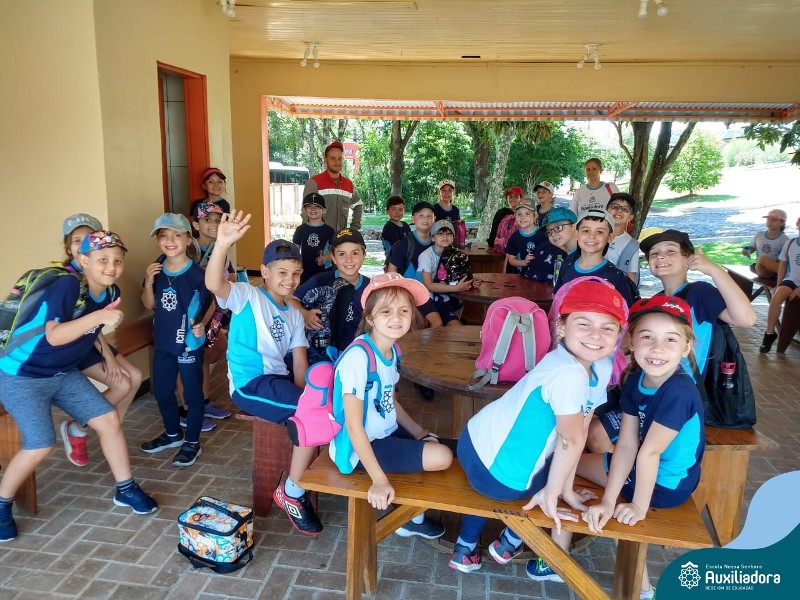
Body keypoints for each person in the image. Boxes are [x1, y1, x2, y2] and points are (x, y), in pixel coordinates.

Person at [447, 279, 626, 574]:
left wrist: (565, 488)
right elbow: (571, 441)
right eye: (584, 324)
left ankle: (466, 546)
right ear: (561, 328)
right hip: (497, 477)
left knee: (555, 464)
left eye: (608, 328)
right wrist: (552, 493)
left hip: (473, 440)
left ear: (618, 335)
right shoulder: (569, 373)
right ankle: (512, 538)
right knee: (547, 475)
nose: (596, 335)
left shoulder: (597, 363)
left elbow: (579, 431)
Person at [540, 296, 703, 600]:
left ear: (686, 347)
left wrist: (637, 506)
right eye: (647, 337)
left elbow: (649, 453)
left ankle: (637, 588)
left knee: (564, 473)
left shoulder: (679, 391)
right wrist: (608, 499)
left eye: (670, 339)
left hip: (666, 484)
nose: (657, 348)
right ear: (630, 342)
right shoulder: (636, 377)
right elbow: (626, 444)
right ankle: (556, 559)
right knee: (565, 468)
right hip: (646, 468)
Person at [0, 230, 157, 541]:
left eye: (117, 261)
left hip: (62, 372)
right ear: (83, 260)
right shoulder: (67, 285)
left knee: (109, 420)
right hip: (22, 375)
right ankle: (2, 503)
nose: (111, 267)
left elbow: (91, 330)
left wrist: (109, 356)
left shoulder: (109, 293)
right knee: (40, 443)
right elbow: (54, 335)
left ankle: (125, 488)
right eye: (102, 260)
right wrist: (98, 318)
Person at [205, 213, 323, 535]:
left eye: (296, 273)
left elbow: (300, 364)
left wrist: (306, 396)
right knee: (311, 413)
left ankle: (310, 466)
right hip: (250, 385)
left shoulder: (294, 315)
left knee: (319, 404)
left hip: (277, 382)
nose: (290, 279)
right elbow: (214, 284)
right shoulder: (248, 295)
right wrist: (222, 243)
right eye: (282, 272)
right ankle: (292, 493)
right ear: (265, 271)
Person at [588, 229, 755, 453]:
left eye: (670, 251)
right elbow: (629, 346)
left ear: (688, 259)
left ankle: (632, 472)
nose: (661, 256)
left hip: (674, 395)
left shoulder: (699, 293)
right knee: (587, 415)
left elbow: (746, 319)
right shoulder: (657, 300)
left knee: (596, 435)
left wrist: (713, 269)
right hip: (646, 387)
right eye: (654, 254)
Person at [330, 273, 452, 539]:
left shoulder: (393, 351)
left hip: (384, 431)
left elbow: (390, 400)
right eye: (386, 311)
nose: (396, 318)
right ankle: (408, 520)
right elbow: (353, 426)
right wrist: (378, 481)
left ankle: (413, 516)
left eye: (403, 310)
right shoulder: (358, 358)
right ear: (370, 318)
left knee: (437, 444)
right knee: (443, 457)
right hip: (359, 448)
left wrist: (419, 432)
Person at [58, 214, 143, 467]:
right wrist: (107, 357)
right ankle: (82, 427)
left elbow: (95, 324)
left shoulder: (105, 281)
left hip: (90, 341)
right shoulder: (66, 280)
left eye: (89, 238)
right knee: (123, 383)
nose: (83, 244)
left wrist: (108, 355)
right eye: (77, 240)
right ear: (69, 248)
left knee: (135, 376)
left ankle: (112, 430)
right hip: (67, 347)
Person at [141, 214, 208, 468]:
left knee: (192, 394)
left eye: (176, 235)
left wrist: (202, 324)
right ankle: (172, 434)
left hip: (189, 343)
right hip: (163, 341)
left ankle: (192, 442)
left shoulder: (197, 275)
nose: (170, 240)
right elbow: (148, 304)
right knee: (161, 390)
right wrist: (149, 281)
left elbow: (211, 301)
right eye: (163, 236)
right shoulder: (156, 269)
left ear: (188, 239)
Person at [290, 228, 371, 364]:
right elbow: (290, 299)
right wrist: (304, 313)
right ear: (333, 257)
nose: (349, 259)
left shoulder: (371, 288)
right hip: (321, 354)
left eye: (355, 253)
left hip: (358, 355)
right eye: (341, 254)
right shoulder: (320, 281)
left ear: (364, 255)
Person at [187, 201, 234, 426]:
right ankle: (188, 409)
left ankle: (203, 402)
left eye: (217, 220)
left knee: (212, 350)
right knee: (191, 359)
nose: (214, 224)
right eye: (207, 220)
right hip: (190, 318)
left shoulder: (220, 249)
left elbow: (228, 276)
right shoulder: (187, 248)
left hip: (213, 313)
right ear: (196, 224)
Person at [554, 209, 639, 308]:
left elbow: (627, 312)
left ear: (610, 237)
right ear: (576, 234)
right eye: (586, 231)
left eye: (599, 232)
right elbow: (557, 302)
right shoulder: (566, 266)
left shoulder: (616, 276)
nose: (592, 236)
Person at [387, 201, 443, 329]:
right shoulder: (405, 244)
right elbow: (392, 270)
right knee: (436, 323)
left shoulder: (437, 243)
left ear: (434, 219)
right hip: (412, 294)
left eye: (429, 216)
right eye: (421, 215)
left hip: (434, 292)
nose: (425, 219)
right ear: (413, 219)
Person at [417, 220, 474, 326]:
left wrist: (471, 282)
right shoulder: (426, 256)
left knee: (457, 327)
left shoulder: (456, 255)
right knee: (437, 323)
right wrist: (456, 288)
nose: (445, 237)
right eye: (440, 233)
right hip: (426, 297)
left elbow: (460, 276)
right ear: (433, 238)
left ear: (453, 238)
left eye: (449, 233)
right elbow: (429, 285)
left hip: (444, 297)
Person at [760, 216, 800, 353]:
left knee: (794, 300)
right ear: (797, 225)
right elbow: (783, 263)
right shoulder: (791, 243)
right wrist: (779, 283)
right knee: (776, 298)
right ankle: (769, 333)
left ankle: (787, 335)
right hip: (792, 279)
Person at [303, 141, 362, 231]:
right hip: (320, 237)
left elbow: (358, 205)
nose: (337, 162)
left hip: (340, 237)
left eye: (339, 159)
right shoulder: (314, 183)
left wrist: (354, 228)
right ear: (325, 159)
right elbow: (305, 213)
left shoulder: (348, 185)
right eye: (333, 158)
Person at [292, 192, 335, 284]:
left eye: (317, 206)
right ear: (304, 210)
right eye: (309, 206)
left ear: (324, 210)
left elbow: (335, 253)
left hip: (325, 273)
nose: (313, 209)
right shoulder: (300, 230)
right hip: (305, 273)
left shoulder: (329, 231)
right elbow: (294, 252)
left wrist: (325, 258)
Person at [605, 193, 641, 284]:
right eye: (615, 207)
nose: (619, 211)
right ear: (606, 211)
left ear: (630, 217)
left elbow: (631, 277)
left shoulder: (632, 245)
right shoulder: (592, 235)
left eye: (625, 209)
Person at [743, 208, 789, 279]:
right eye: (768, 219)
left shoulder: (785, 240)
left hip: (776, 271)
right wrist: (746, 251)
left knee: (762, 259)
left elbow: (785, 261)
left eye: (773, 220)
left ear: (782, 223)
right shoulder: (759, 235)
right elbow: (751, 249)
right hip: (760, 268)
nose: (769, 222)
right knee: (760, 261)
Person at [505, 200, 539, 273]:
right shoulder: (514, 237)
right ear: (515, 216)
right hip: (521, 275)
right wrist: (524, 262)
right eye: (519, 214)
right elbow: (511, 260)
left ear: (535, 216)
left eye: (527, 214)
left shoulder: (543, 234)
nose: (522, 217)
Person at [380, 195, 411, 263]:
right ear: (387, 211)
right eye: (393, 209)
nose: (397, 212)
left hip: (406, 260)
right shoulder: (388, 227)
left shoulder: (405, 225)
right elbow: (398, 246)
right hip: (393, 262)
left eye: (400, 209)